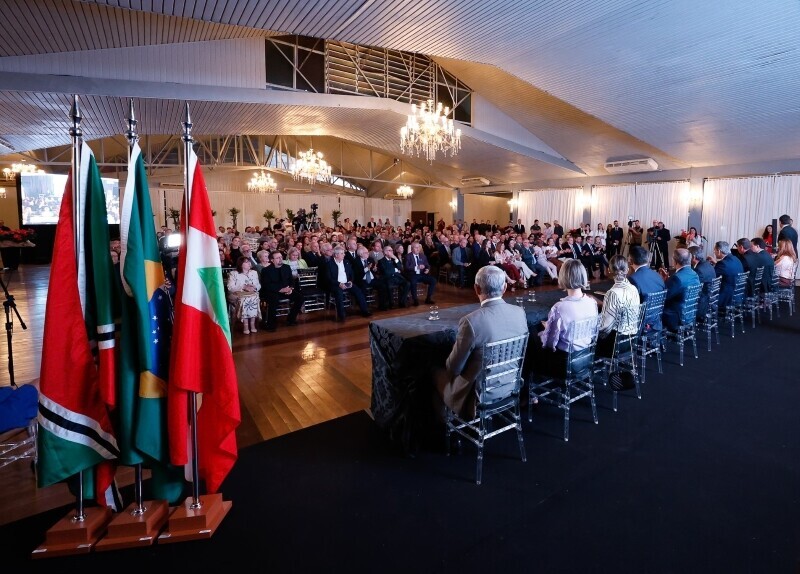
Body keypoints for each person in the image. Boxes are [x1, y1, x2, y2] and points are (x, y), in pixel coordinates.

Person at [433, 265, 529, 419]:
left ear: (476, 289)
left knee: (433, 371)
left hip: (479, 394)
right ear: (505, 288)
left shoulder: (471, 321)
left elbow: (453, 368)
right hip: (511, 384)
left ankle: (446, 431)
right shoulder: (520, 313)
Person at [529, 259, 599, 378]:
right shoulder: (592, 303)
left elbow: (549, 344)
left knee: (532, 334)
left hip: (564, 362)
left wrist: (546, 331)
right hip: (586, 357)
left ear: (563, 277)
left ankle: (530, 385)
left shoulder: (560, 307)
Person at [595, 255, 640, 358]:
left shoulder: (612, 293)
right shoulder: (633, 288)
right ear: (627, 270)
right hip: (632, 338)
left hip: (616, 343)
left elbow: (605, 328)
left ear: (609, 270)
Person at [325, 246, 371, 321]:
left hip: (347, 283)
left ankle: (365, 311)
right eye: (342, 253)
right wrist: (339, 284)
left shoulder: (346, 262)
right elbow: (328, 278)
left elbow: (351, 274)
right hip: (336, 284)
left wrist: (350, 281)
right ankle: (341, 315)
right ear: (336, 255)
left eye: (344, 253)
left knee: (358, 291)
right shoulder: (329, 264)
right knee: (339, 293)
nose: (344, 255)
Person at [260, 250, 303, 332]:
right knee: (274, 300)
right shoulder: (266, 270)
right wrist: (280, 289)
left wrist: (290, 288)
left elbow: (291, 280)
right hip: (272, 291)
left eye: (281, 257)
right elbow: (266, 285)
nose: (280, 259)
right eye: (278, 258)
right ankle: (271, 324)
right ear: (272, 260)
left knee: (300, 298)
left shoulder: (286, 267)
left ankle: (291, 319)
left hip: (286, 290)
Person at [659, 248, 701, 332]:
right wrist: (668, 280)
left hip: (675, 316)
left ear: (675, 261)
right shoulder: (694, 274)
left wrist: (663, 282)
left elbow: (663, 297)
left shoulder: (677, 278)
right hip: (689, 313)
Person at [628, 246, 666, 331]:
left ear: (631, 260)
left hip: (642, 322)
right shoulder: (657, 275)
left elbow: (630, 305)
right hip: (656, 318)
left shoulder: (633, 279)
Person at [227, 256, 262, 334]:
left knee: (254, 298)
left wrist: (254, 288)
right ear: (241, 264)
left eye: (249, 261)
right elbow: (230, 287)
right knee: (245, 300)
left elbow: (258, 285)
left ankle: (252, 324)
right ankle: (246, 325)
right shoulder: (233, 273)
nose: (249, 263)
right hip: (236, 294)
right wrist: (243, 287)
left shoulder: (254, 272)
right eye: (246, 262)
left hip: (251, 294)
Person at [710, 240, 744, 308]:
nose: (714, 252)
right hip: (738, 294)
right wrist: (716, 263)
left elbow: (712, 277)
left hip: (726, 297)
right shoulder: (736, 259)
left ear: (719, 251)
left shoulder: (722, 264)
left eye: (715, 250)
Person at [688, 246, 716, 318]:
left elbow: (692, 289)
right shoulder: (708, 265)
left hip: (702, 304)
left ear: (693, 257)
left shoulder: (699, 270)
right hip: (712, 300)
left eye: (688, 256)